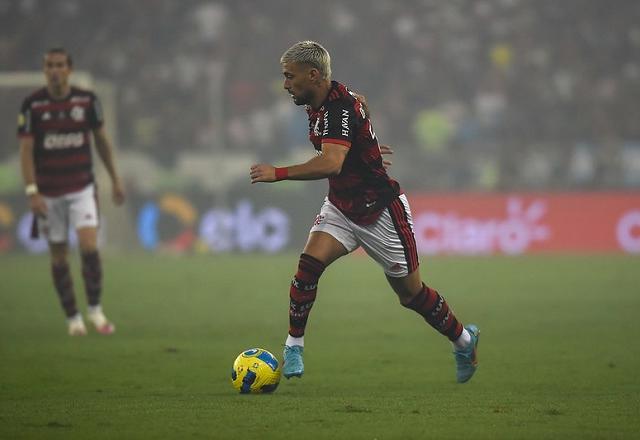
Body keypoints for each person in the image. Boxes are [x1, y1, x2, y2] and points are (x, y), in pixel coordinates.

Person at [250, 41, 479, 383]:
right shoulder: (323, 98)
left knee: (411, 295)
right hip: (342, 208)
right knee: (307, 268)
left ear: (313, 75)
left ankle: (464, 340)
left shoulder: (339, 108)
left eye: (289, 76)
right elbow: (362, 110)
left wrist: (278, 173)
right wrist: (366, 146)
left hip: (381, 211)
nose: (285, 84)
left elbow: (331, 161)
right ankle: (293, 345)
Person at [18, 48, 125, 336]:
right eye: (50, 65)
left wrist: (115, 178)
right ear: (44, 70)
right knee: (59, 256)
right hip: (49, 192)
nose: (55, 70)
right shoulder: (32, 105)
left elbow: (101, 141)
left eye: (60, 65)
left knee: (90, 248)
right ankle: (73, 319)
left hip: (81, 187)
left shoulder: (87, 100)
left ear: (69, 69)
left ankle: (95, 311)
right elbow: (26, 151)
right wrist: (32, 192)